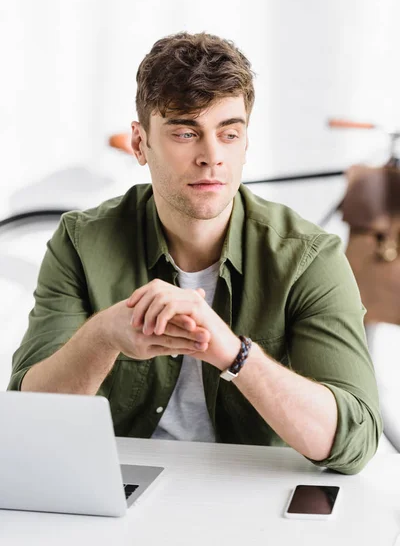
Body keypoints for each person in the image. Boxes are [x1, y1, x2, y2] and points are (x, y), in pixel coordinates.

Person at [8, 32, 382, 474]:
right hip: (117, 496)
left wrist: (233, 353)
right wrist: (103, 335)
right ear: (140, 143)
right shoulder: (81, 242)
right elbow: (27, 423)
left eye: (229, 133)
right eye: (186, 132)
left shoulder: (309, 258)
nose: (211, 156)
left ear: (245, 142)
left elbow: (355, 442)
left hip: (253, 502)